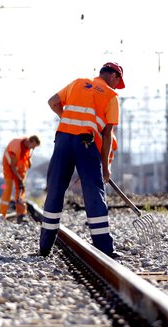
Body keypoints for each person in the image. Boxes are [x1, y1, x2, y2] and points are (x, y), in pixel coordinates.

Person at [39, 62, 123, 258]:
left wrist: (66, 118)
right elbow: (108, 134)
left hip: (63, 140)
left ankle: (45, 247)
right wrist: (106, 166)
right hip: (87, 143)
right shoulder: (111, 96)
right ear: (114, 76)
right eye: (118, 82)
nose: (117, 86)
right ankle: (104, 249)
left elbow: (52, 101)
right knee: (94, 193)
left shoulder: (77, 83)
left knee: (55, 190)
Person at [0, 135, 41, 223]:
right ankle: (2, 214)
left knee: (21, 190)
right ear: (30, 141)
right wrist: (19, 179)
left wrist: (29, 159)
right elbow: (13, 166)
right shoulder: (16, 146)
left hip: (19, 168)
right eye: (34, 146)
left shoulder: (28, 149)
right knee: (8, 189)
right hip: (9, 166)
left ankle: (20, 214)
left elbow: (28, 165)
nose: (33, 148)